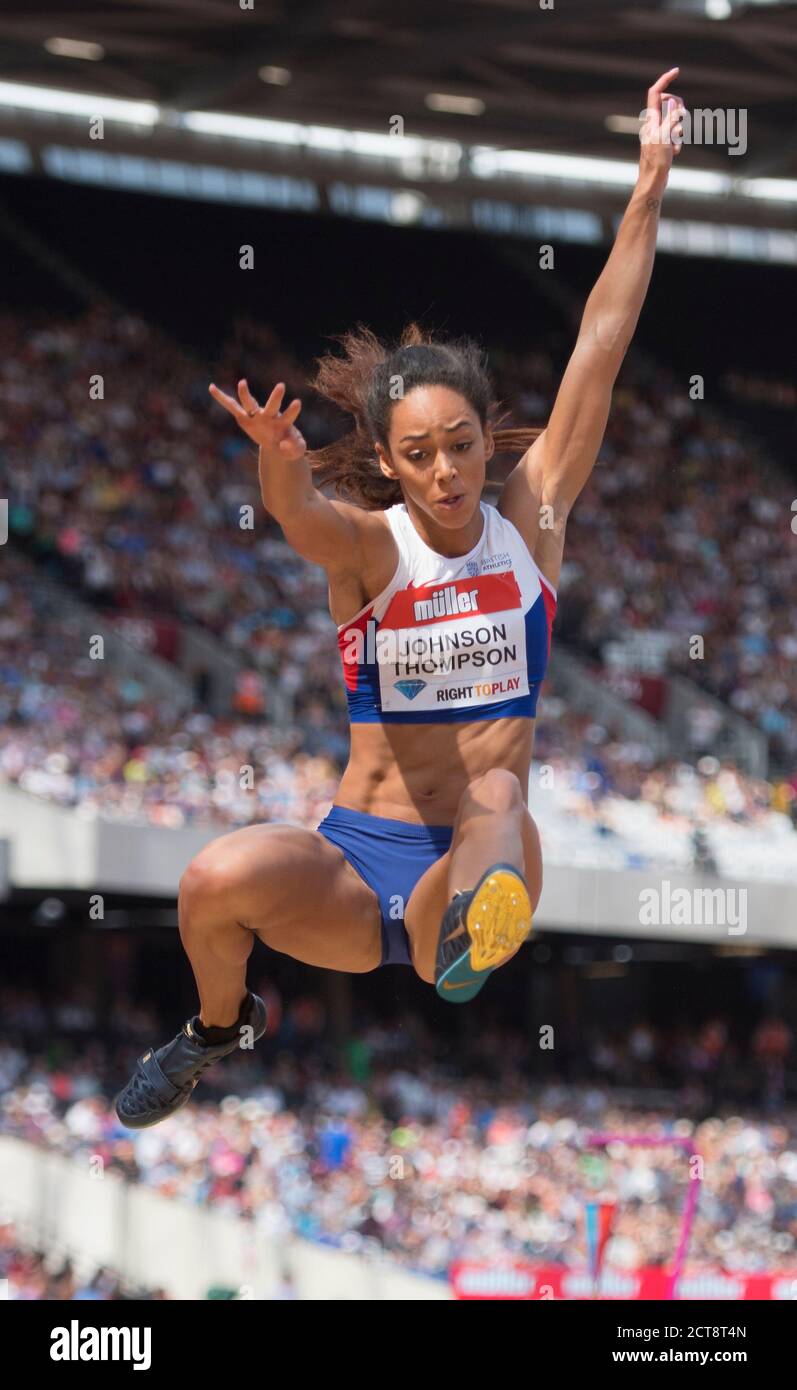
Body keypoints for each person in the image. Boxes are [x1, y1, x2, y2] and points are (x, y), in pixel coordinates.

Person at [115, 70, 685, 1129]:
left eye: (462, 446)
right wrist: (279, 461)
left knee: (497, 797)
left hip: (476, 862)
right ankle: (216, 1027)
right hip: (349, 864)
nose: (446, 471)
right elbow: (297, 519)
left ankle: (467, 942)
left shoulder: (532, 526)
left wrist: (648, 182)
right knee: (209, 876)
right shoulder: (370, 551)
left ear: (483, 438)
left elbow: (596, 354)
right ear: (387, 457)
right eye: (418, 454)